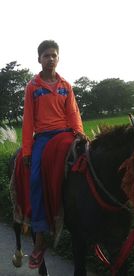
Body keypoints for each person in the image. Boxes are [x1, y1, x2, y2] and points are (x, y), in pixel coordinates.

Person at [22, 40, 85, 269]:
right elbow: (28, 120)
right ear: (39, 59)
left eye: (54, 55)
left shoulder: (66, 85)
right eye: (46, 55)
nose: (50, 58)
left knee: (86, 168)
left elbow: (73, 113)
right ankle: (40, 235)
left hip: (66, 134)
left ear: (59, 59)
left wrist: (79, 133)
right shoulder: (32, 87)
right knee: (37, 179)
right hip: (44, 138)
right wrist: (28, 150)